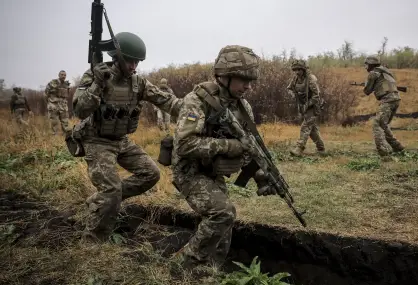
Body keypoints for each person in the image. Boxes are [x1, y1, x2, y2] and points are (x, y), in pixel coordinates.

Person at [170, 45, 277, 269]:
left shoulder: (243, 107)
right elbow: (185, 145)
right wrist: (231, 146)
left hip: (213, 172)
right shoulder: (196, 101)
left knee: (224, 225)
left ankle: (209, 271)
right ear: (224, 76)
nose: (248, 86)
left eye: (251, 80)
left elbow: (248, 145)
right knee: (222, 213)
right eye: (242, 79)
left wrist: (260, 173)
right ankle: (182, 266)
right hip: (189, 172)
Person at [72, 32, 182, 242]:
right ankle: (93, 241)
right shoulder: (94, 75)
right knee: (112, 190)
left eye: (137, 62)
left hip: (121, 140)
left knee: (151, 174)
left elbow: (167, 101)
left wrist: (194, 111)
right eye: (130, 61)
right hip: (96, 140)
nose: (133, 66)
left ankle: (101, 200)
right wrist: (97, 83)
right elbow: (80, 110)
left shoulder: (138, 83)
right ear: (116, 57)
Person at [362, 55, 404, 156]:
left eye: (366, 64)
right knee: (384, 125)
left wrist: (367, 84)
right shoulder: (386, 72)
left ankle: (383, 151)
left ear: (371, 64)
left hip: (388, 100)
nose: (365, 67)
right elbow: (384, 85)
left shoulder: (373, 73)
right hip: (396, 99)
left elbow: (367, 91)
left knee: (377, 124)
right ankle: (397, 146)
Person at [286, 59, 325, 156]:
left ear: (303, 69)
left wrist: (307, 105)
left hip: (313, 107)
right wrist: (293, 94)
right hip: (303, 107)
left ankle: (299, 148)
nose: (297, 72)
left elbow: (316, 96)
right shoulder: (295, 79)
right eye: (295, 70)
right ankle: (321, 149)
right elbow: (289, 89)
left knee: (305, 127)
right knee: (312, 130)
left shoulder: (311, 79)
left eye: (299, 70)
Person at [44, 70, 71, 135]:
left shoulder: (66, 84)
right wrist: (49, 103)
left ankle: (66, 135)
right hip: (53, 104)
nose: (63, 76)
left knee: (65, 120)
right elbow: (46, 94)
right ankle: (54, 135)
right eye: (62, 74)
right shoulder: (52, 83)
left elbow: (67, 95)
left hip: (63, 105)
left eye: (64, 75)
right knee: (54, 121)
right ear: (58, 75)